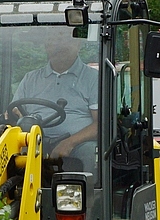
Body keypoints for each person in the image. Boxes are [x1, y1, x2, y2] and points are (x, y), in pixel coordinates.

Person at [10, 35, 99, 173]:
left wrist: (70, 142)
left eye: (66, 39)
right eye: (55, 39)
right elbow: (14, 111)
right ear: (46, 45)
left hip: (77, 145)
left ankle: (90, 194)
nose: (60, 45)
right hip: (33, 140)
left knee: (90, 152)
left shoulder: (93, 78)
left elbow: (100, 125)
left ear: (78, 43)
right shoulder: (30, 79)